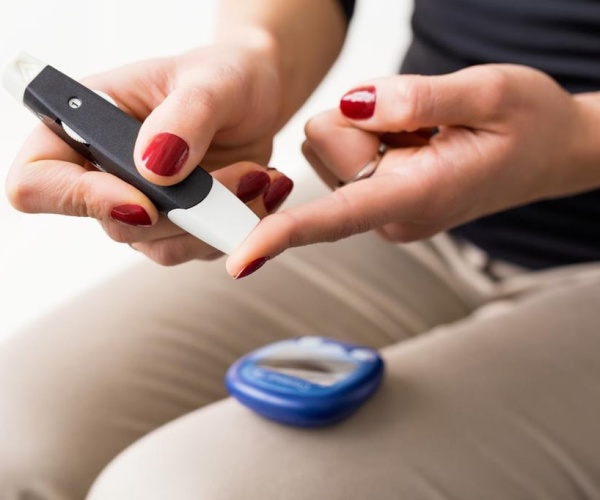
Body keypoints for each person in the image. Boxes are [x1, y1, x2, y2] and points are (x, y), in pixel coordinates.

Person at [2, 0, 600, 498]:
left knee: (178, 488)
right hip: (399, 179)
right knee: (15, 435)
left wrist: (575, 142)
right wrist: (256, 56)